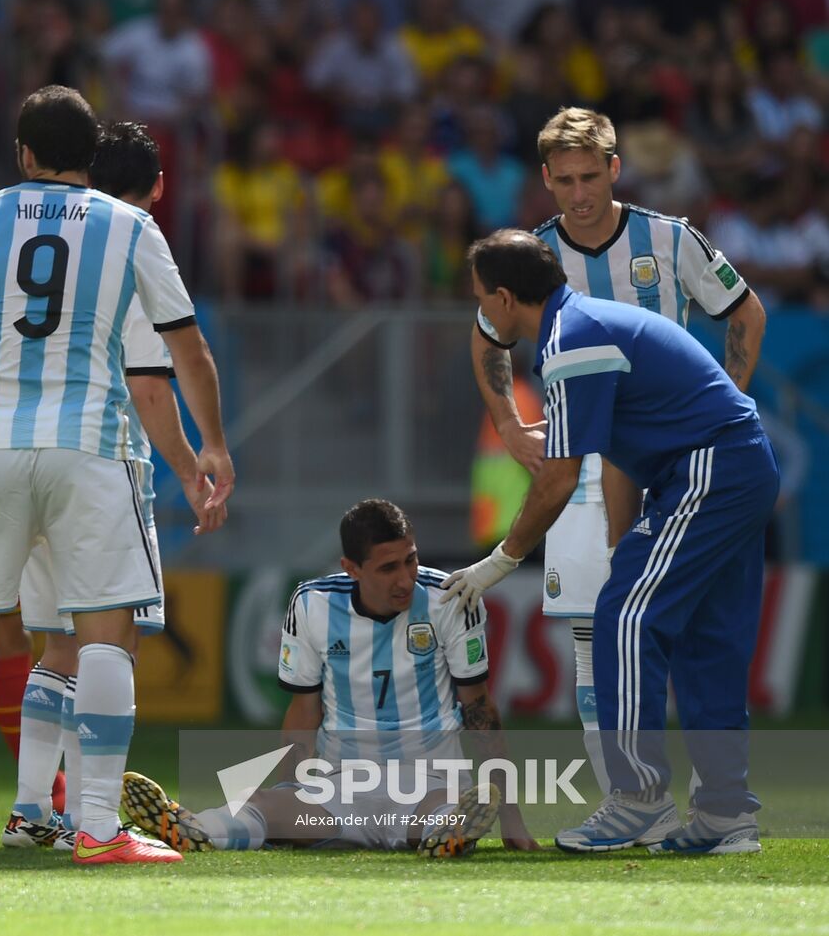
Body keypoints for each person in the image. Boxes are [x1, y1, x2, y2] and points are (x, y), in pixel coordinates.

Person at [0, 85, 233, 865]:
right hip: (91, 445)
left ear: (21, 154)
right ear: (91, 158)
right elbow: (188, 349)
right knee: (106, 635)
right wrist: (211, 443)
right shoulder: (131, 224)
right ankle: (100, 830)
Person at [447, 230, 779, 855]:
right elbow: (622, 450)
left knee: (623, 618)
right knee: (708, 640)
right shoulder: (582, 325)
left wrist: (501, 560)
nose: (481, 312)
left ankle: (637, 799)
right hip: (733, 465)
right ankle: (724, 816)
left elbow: (559, 478)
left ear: (504, 296)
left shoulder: (570, 343)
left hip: (710, 468)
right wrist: (627, 542)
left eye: (480, 298)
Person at [469, 107, 767, 789]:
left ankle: (711, 792)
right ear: (546, 180)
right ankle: (624, 797)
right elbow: (488, 333)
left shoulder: (669, 240)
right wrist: (511, 425)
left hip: (677, 463)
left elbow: (745, 312)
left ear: (614, 170)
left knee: (688, 627)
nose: (579, 194)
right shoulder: (538, 256)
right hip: (583, 463)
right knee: (590, 631)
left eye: (589, 177)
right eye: (564, 180)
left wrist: (718, 409)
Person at [0, 121, 225, 851]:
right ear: (159, 186)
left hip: (18, 454)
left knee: (55, 647)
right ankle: (96, 823)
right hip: (99, 458)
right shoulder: (133, 244)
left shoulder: (49, 241)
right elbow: (152, 384)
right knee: (107, 642)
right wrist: (195, 467)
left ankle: (33, 809)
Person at [122, 499, 536, 857]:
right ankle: (193, 828)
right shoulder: (312, 604)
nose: (405, 578)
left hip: (431, 784)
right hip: (342, 789)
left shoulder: (450, 598)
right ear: (351, 568)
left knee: (449, 811)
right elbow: (304, 711)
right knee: (257, 804)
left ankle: (449, 831)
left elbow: (479, 708)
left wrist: (512, 814)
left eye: (410, 559)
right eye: (389, 567)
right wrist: (292, 791)